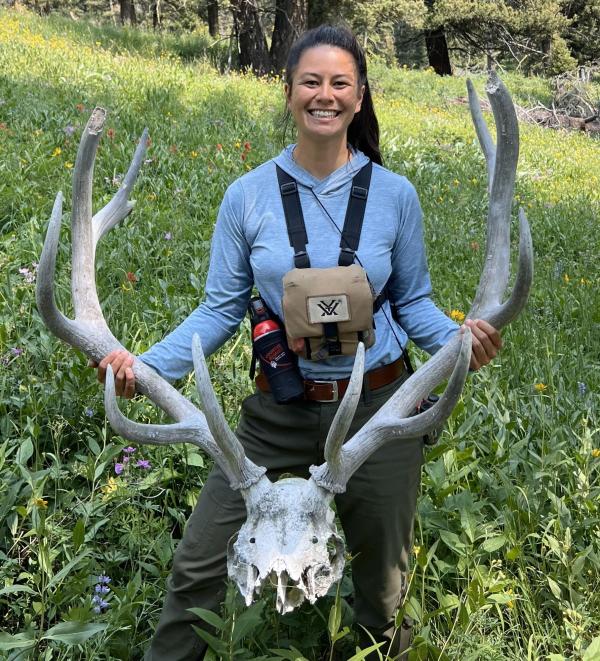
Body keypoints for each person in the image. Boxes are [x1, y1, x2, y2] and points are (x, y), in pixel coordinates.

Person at [94, 25, 501, 660]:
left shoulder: (396, 196)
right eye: (311, 82)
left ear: (360, 96)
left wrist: (459, 341)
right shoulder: (246, 196)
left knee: (383, 591)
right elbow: (218, 311)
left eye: (340, 83)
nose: (325, 95)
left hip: (377, 411)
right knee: (199, 566)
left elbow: (414, 301)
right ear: (288, 93)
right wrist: (139, 367)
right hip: (277, 413)